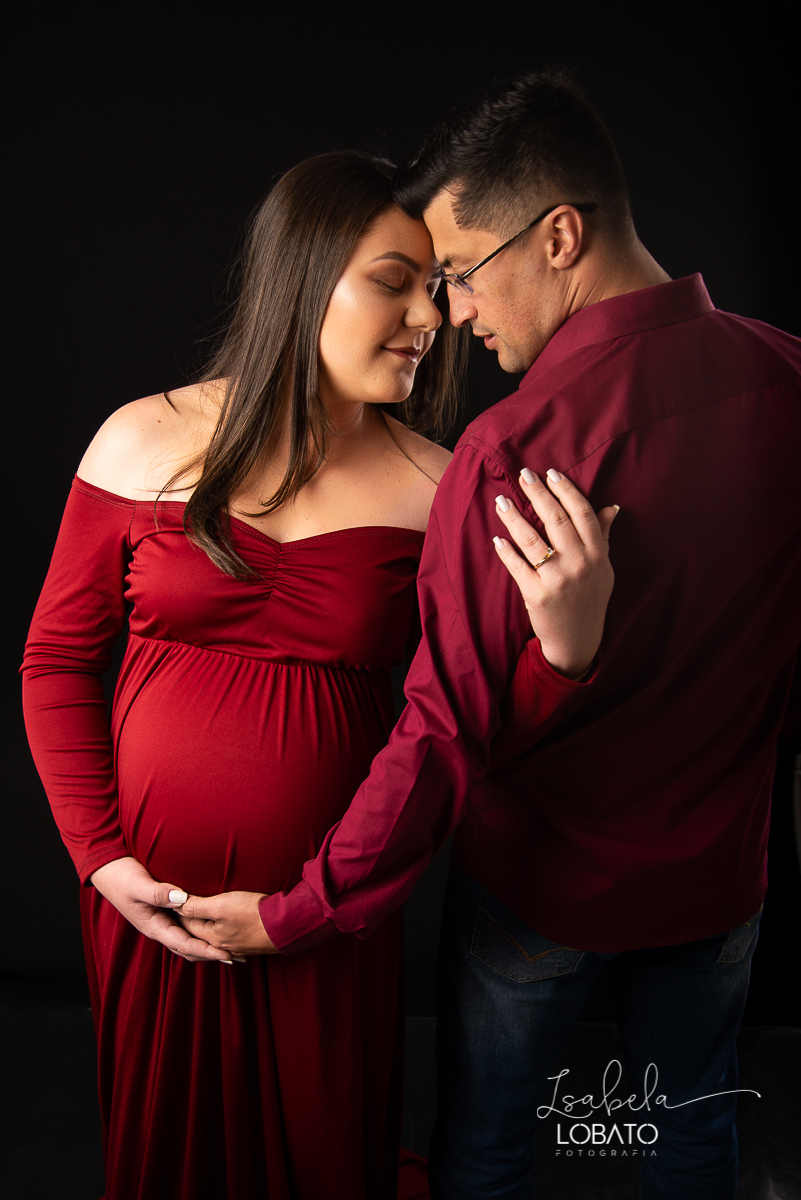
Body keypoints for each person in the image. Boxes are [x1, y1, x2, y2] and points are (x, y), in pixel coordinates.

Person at [178, 73, 801, 1199]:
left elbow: (441, 732)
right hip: (719, 883)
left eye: (462, 271)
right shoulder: (786, 378)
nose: (452, 311)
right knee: (689, 1145)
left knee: (486, 1153)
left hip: (543, 892)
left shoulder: (515, 450)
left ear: (559, 236)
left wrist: (300, 910)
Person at [22, 150, 616, 1200]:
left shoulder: (441, 489)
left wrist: (568, 649)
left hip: (325, 909)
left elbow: (475, 725)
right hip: (149, 906)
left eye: (439, 285)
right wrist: (100, 859)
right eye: (395, 282)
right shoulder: (141, 438)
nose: (431, 317)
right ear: (301, 278)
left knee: (323, 1158)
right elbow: (56, 661)